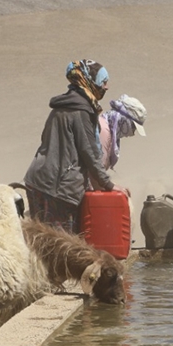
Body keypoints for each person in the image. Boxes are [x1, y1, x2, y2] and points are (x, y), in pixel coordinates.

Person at [22, 59, 123, 232]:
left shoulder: (60, 107)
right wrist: (109, 185)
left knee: (39, 242)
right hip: (59, 189)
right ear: (89, 81)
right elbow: (89, 152)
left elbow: (45, 139)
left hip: (37, 181)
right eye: (103, 82)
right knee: (62, 248)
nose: (106, 87)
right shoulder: (82, 111)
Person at [99, 95, 147, 170]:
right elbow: (95, 172)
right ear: (125, 119)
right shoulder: (103, 131)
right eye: (133, 127)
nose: (132, 134)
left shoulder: (107, 131)